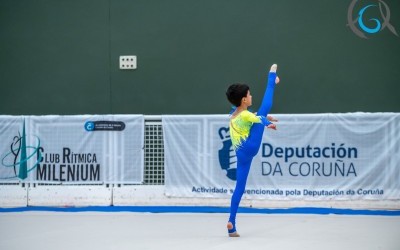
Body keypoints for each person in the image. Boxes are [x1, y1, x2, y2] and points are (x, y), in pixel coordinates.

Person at [225, 64, 280, 237]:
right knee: (265, 108)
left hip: (241, 154)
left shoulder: (234, 114)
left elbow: (249, 117)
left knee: (239, 187)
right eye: (249, 94)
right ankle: (271, 79)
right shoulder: (246, 114)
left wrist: (262, 119)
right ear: (243, 100)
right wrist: (267, 123)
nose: (251, 96)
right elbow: (256, 117)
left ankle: (231, 224)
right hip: (250, 146)